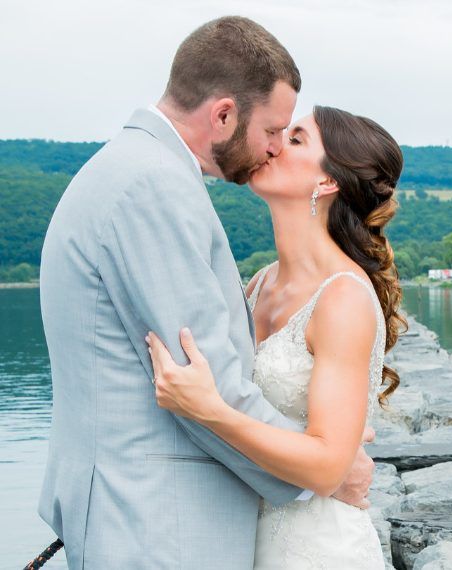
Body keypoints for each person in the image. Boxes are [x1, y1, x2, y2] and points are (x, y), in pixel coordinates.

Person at [38, 17, 374, 568]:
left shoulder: (129, 168)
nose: (271, 150)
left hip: (142, 514)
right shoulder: (155, 187)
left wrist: (322, 462)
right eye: (273, 131)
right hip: (158, 523)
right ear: (223, 115)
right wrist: (325, 473)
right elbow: (203, 383)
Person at [147, 104, 405, 569]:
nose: (274, 143)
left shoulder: (342, 298)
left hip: (318, 550)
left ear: (327, 183)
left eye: (297, 138)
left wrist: (211, 411)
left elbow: (328, 467)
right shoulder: (259, 283)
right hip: (245, 538)